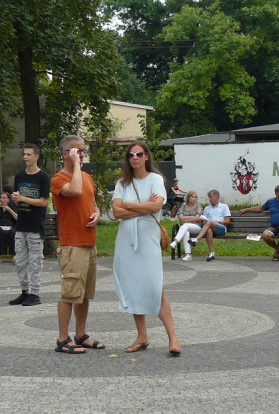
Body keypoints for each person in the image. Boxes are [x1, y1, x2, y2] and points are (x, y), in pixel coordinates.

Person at [111, 141, 181, 355]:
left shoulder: (156, 179)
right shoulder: (123, 183)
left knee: (155, 287)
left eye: (139, 154)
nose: (135, 158)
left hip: (148, 237)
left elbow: (156, 206)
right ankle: (142, 336)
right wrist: (141, 207)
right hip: (127, 239)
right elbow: (116, 212)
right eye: (131, 155)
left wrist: (128, 205)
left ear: (146, 157)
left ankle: (173, 338)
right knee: (132, 286)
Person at [50, 134, 102, 354]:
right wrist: (76, 166)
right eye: (77, 151)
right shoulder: (58, 179)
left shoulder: (86, 177)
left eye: (83, 150)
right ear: (65, 154)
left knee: (84, 294)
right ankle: (63, 339)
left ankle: (80, 334)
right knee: (69, 293)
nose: (81, 154)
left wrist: (97, 214)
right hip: (72, 245)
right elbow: (76, 191)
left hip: (89, 243)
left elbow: (92, 203)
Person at [10, 144, 50, 306]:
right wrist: (16, 199)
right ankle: (24, 291)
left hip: (35, 226)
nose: (25, 157)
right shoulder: (19, 176)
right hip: (21, 224)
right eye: (24, 154)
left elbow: (43, 201)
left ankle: (35, 293)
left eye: (28, 154)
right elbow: (17, 197)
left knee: (35, 261)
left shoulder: (43, 177)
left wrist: (23, 199)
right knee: (20, 261)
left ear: (36, 156)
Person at [238, 185, 279, 261]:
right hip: (274, 226)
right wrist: (246, 210)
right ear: (276, 193)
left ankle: (276, 253)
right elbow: (260, 208)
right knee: (266, 235)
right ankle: (278, 251)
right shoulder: (271, 201)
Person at [192, 190, 231, 261]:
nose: (209, 199)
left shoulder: (224, 206)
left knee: (210, 223)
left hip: (221, 228)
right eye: (208, 197)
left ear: (216, 197)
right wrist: (203, 221)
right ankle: (212, 253)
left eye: (211, 197)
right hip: (209, 227)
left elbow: (227, 221)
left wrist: (217, 222)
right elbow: (204, 222)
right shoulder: (207, 208)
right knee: (209, 230)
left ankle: (196, 239)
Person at [169, 190, 202, 261]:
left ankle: (176, 241)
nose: (194, 199)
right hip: (185, 228)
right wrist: (192, 218)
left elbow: (197, 218)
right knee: (186, 233)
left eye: (195, 197)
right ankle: (188, 254)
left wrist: (186, 219)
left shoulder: (198, 207)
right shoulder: (183, 206)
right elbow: (180, 218)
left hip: (196, 227)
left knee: (185, 225)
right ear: (188, 197)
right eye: (192, 197)